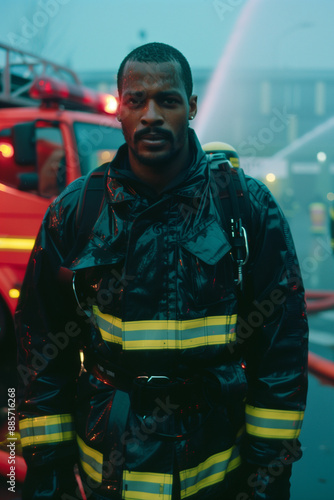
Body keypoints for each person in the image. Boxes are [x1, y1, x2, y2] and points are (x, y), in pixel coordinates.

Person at [15, 42, 308, 500]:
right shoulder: (75, 213)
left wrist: (267, 476)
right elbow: (38, 355)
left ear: (191, 106)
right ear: (119, 110)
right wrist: (44, 475)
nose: (151, 115)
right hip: (108, 474)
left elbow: (281, 353)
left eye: (167, 100)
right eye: (136, 100)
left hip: (215, 476)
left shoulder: (245, 207)